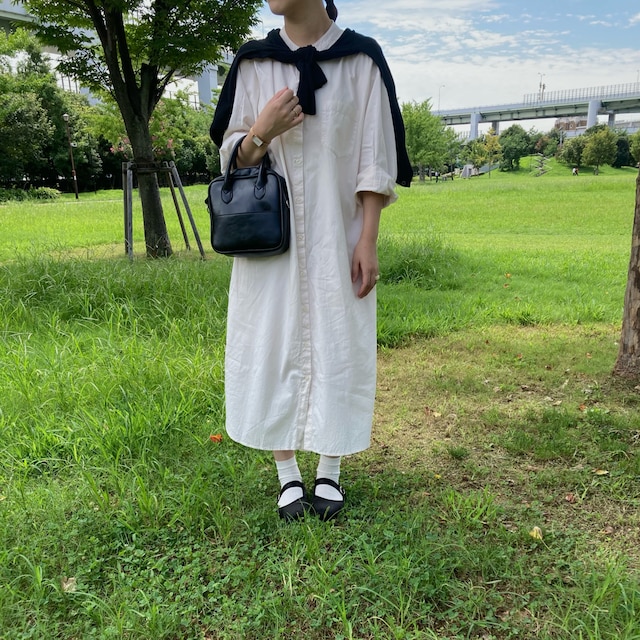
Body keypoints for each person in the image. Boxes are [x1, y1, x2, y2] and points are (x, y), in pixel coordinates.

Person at [210, 0, 411, 521]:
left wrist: (368, 239)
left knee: (338, 341)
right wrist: (262, 130)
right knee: (270, 343)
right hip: (269, 238)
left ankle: (330, 469)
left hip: (338, 235)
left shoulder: (362, 60)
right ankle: (287, 476)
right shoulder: (253, 63)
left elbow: (375, 156)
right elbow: (232, 158)